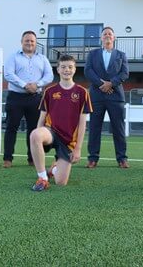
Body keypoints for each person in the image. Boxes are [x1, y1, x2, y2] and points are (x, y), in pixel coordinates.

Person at [29, 54, 92, 191]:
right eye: (63, 67)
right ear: (57, 70)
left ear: (75, 69)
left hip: (68, 141)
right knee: (35, 134)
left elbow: (82, 123)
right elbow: (42, 117)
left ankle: (54, 168)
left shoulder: (82, 92)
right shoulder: (50, 91)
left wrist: (78, 149)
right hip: (51, 132)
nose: (66, 70)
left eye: (70, 67)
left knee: (61, 182)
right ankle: (43, 178)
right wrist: (37, 136)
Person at [3, 31, 54, 168]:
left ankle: (32, 158)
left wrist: (36, 85)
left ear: (35, 42)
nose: (29, 43)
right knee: (11, 128)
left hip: (35, 98)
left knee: (34, 129)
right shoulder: (13, 57)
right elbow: (8, 74)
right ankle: (7, 159)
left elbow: (49, 76)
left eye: (32, 41)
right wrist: (25, 85)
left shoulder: (43, 58)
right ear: (21, 42)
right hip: (16, 97)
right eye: (27, 40)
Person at [84, 27, 129, 168]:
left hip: (116, 96)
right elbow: (88, 71)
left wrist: (111, 84)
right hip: (96, 96)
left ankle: (122, 159)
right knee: (94, 128)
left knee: (118, 128)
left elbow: (124, 73)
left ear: (114, 38)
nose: (107, 36)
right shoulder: (92, 54)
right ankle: (92, 158)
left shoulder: (121, 55)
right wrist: (101, 84)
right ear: (101, 38)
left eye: (110, 34)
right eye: (105, 34)